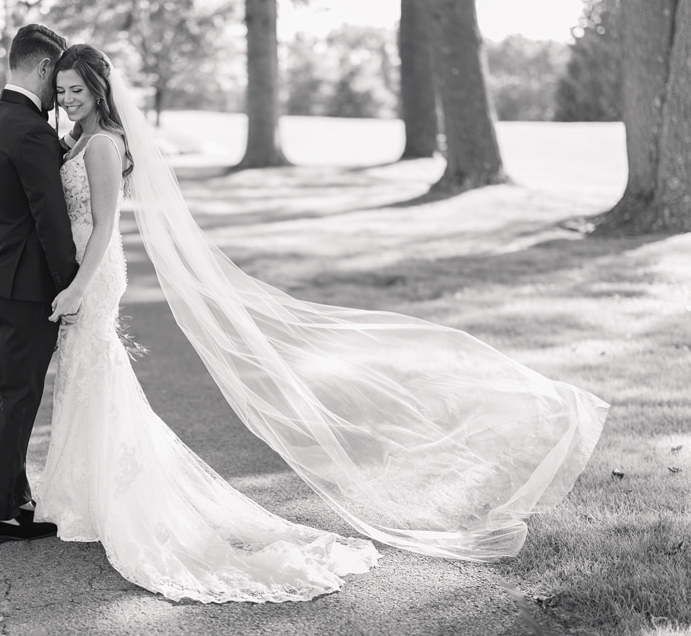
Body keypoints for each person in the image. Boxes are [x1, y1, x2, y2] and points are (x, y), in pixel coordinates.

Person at [32, 43, 608, 603]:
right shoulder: (79, 138)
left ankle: (111, 498)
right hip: (82, 270)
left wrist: (80, 283)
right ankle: (87, 492)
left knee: (95, 370)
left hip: (94, 273)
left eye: (77, 89)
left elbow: (106, 223)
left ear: (100, 90)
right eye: (61, 91)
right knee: (89, 374)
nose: (68, 98)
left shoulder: (103, 145)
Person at [0, 24, 82, 543]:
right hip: (27, 285)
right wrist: (71, 286)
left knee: (7, 392)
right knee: (20, 395)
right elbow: (50, 221)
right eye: (57, 78)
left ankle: (17, 498)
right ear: (41, 68)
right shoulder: (31, 132)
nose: (60, 92)